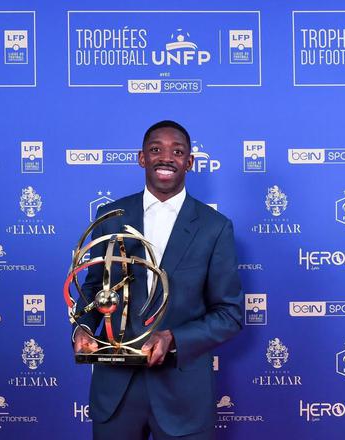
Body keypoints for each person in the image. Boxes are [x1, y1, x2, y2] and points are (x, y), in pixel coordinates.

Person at [73, 120, 243, 439]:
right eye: (155, 149)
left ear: (189, 162)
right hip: (116, 392)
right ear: (142, 158)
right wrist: (82, 327)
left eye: (177, 151)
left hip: (183, 395)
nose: (166, 158)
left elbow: (229, 315)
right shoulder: (110, 217)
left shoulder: (215, 227)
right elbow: (95, 290)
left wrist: (173, 338)